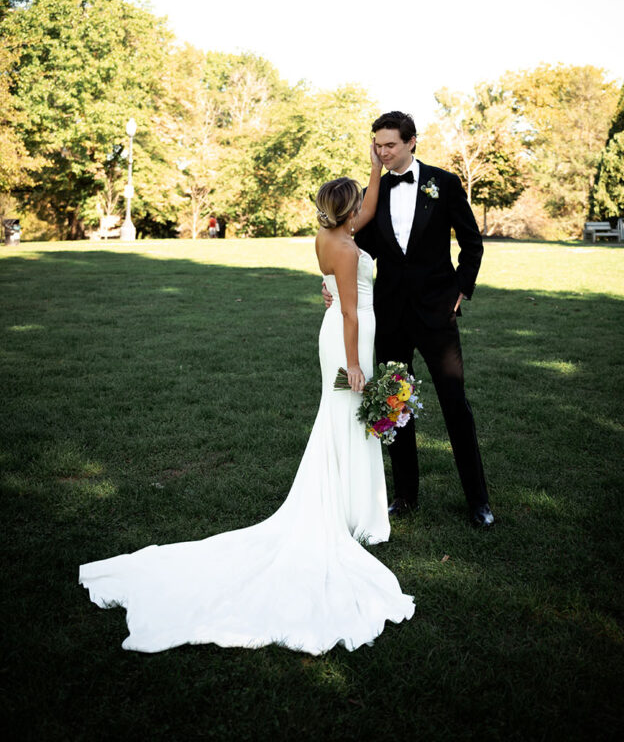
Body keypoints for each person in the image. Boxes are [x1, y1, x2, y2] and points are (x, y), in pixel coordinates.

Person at [78, 143, 414, 655]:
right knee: (347, 415)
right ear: (348, 214)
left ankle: (357, 513)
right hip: (349, 339)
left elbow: (359, 228)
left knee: (345, 421)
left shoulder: (330, 235)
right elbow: (348, 312)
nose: (363, 211)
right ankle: (354, 515)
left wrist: (373, 167)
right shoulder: (346, 248)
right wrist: (356, 367)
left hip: (344, 332)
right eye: (358, 205)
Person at [324, 111, 494, 529]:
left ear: (412, 141)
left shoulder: (445, 183)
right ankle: (405, 496)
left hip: (437, 315)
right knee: (395, 405)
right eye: (377, 145)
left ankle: (479, 502)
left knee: (456, 405)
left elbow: (472, 244)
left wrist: (460, 292)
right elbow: (350, 248)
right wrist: (327, 284)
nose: (383, 152)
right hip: (390, 316)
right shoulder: (370, 194)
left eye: (390, 145)